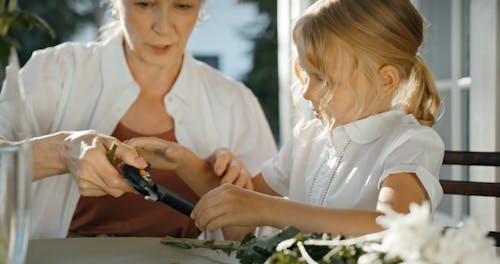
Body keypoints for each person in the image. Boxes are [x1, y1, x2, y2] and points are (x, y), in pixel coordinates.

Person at [134, 0, 445, 237]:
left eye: (321, 79)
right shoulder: (311, 138)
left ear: (386, 80)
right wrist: (181, 159)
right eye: (305, 76)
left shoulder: (408, 144)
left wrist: (271, 210)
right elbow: (240, 200)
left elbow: (393, 228)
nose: (308, 93)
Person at [0, 0, 276, 240]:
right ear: (117, 5)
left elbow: (263, 241)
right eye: (144, 4)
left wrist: (230, 193)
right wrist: (60, 153)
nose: (163, 27)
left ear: (200, 8)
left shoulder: (235, 103)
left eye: (182, 6)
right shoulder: (55, 71)